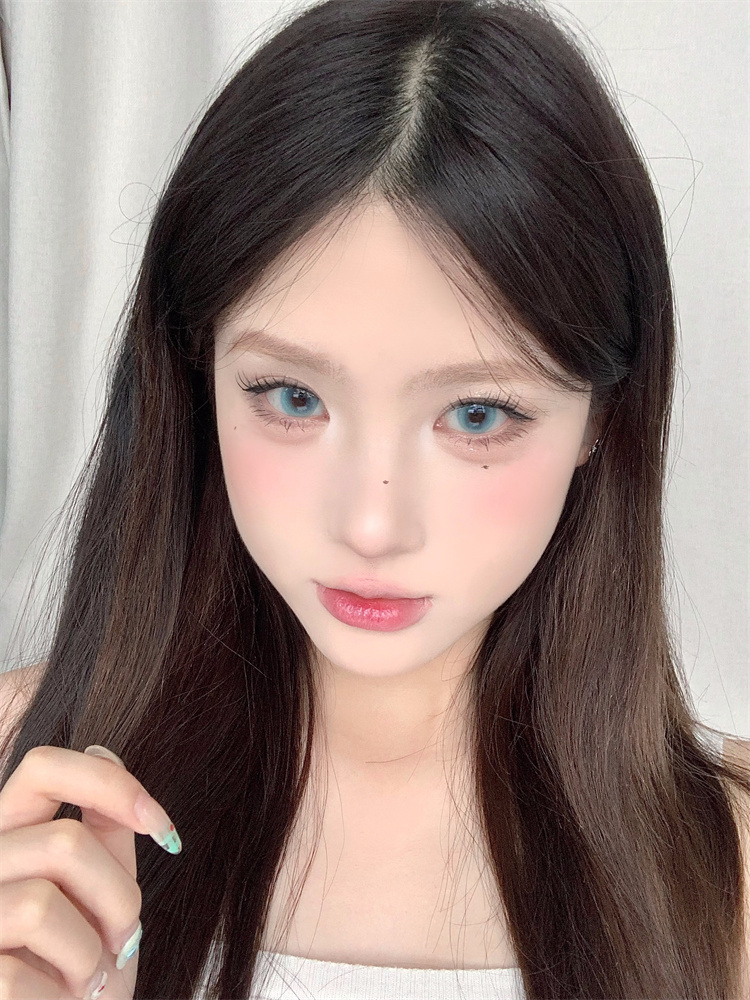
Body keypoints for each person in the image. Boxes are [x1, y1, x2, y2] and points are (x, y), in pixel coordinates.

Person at [0, 0, 748, 998]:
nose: (371, 524)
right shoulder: (16, 789)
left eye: (477, 414)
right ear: (195, 376)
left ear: (601, 419)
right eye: (293, 398)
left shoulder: (731, 858)